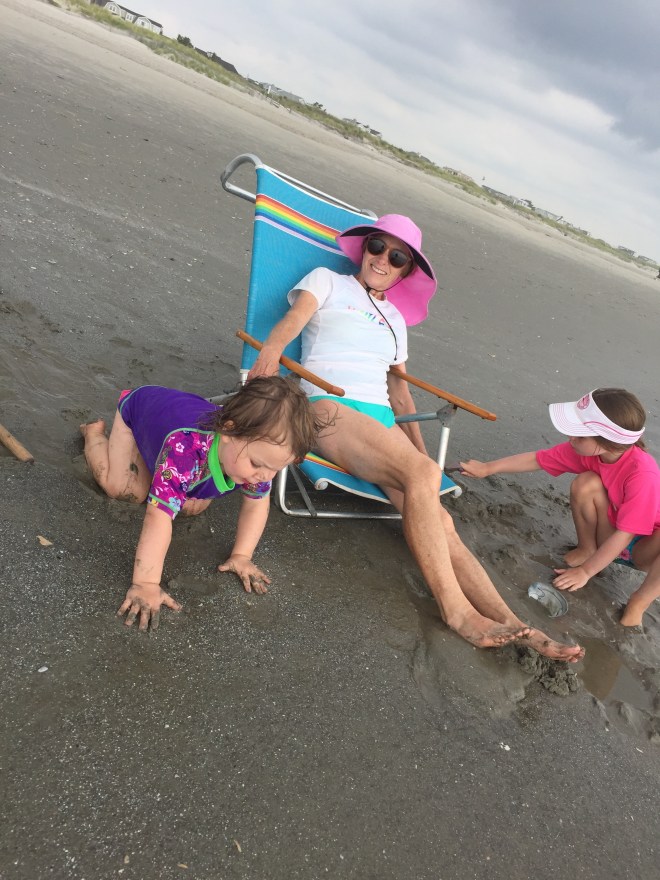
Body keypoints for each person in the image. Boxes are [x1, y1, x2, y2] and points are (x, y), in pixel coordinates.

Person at [249, 213, 583, 661]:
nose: (383, 259)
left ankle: (521, 627)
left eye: (397, 256)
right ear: (363, 248)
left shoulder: (395, 320)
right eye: (377, 247)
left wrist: (425, 462)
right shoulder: (327, 280)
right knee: (421, 480)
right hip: (328, 407)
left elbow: (400, 394)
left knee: (442, 521)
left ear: (407, 269)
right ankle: (457, 612)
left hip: (381, 425)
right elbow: (295, 319)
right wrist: (270, 350)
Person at [80, 376, 323, 631]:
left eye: (276, 469)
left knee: (189, 506)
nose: (264, 476)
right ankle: (94, 436)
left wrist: (242, 555)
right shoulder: (186, 448)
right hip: (138, 412)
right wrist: (146, 584)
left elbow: (256, 504)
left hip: (172, 426)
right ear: (228, 430)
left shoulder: (258, 458)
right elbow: (157, 516)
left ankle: (157, 467)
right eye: (257, 464)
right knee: (126, 491)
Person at [460, 388, 660, 628]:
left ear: (607, 441)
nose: (571, 439)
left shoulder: (642, 473)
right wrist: (488, 468)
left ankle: (640, 600)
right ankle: (587, 548)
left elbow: (626, 533)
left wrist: (586, 572)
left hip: (646, 548)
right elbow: (538, 459)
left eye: (580, 435)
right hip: (614, 529)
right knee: (586, 483)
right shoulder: (592, 453)